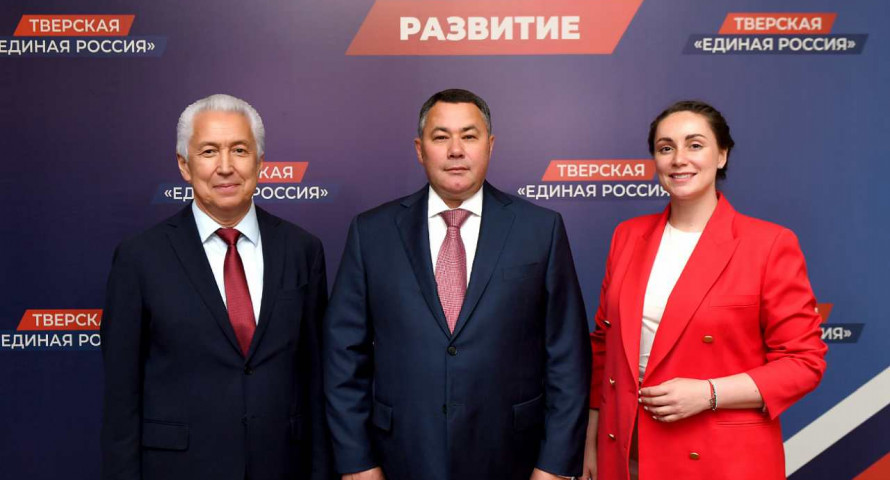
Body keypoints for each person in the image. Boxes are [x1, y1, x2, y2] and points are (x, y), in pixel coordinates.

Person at [324, 89, 591, 480]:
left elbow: (568, 358)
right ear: (420, 149)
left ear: (490, 145)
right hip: (400, 457)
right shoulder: (372, 232)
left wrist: (554, 467)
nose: (455, 150)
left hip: (512, 458)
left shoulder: (540, 229)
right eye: (440, 137)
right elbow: (344, 355)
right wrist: (357, 462)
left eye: (469, 136)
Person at [583, 100, 827, 480]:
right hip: (628, 451)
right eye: (666, 148)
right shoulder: (627, 236)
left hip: (720, 459)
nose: (679, 159)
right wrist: (592, 441)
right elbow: (603, 346)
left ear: (722, 155)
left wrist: (708, 393)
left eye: (695, 145)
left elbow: (804, 362)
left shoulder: (768, 244)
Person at [101, 94, 332, 480]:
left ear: (259, 162)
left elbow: (316, 377)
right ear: (184, 165)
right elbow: (121, 396)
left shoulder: (302, 250)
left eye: (239, 150)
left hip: (282, 466)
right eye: (209, 151)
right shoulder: (139, 258)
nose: (226, 167)